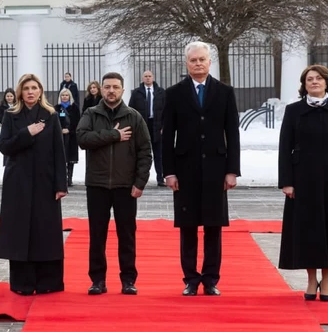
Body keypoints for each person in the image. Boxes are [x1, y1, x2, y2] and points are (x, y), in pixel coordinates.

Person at [162, 41, 241, 296]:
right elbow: (166, 136)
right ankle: (190, 279)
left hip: (217, 169)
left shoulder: (225, 92)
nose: (198, 64)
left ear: (209, 62)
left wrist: (232, 170)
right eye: (193, 60)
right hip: (185, 169)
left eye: (202, 60)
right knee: (187, 227)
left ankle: (210, 279)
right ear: (187, 63)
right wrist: (169, 171)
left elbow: (233, 133)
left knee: (213, 226)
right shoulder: (174, 93)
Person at [277, 65, 328, 302]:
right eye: (309, 79)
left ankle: (327, 280)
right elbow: (285, 147)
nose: (314, 82)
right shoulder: (294, 111)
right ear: (304, 85)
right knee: (308, 229)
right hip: (303, 177)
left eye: (318, 78)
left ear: (327, 82)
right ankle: (311, 280)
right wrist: (287, 182)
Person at [76, 72, 152, 295]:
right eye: (107, 87)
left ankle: (128, 279)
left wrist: (140, 182)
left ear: (122, 89)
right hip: (97, 185)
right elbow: (82, 139)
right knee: (97, 235)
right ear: (101, 89)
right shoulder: (91, 114)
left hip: (125, 186)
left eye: (115, 87)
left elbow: (145, 152)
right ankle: (97, 280)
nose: (111, 91)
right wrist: (113, 135)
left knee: (127, 235)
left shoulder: (134, 117)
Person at [0, 73, 69, 296]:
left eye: (34, 88)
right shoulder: (11, 116)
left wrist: (61, 184)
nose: (30, 91)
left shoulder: (51, 115)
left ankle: (48, 281)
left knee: (45, 231)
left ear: (40, 92)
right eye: (26, 88)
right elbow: (4, 146)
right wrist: (26, 133)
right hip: (18, 183)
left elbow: (59, 151)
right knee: (20, 231)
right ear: (20, 92)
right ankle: (23, 283)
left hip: (45, 182)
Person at [129, 70, 167, 186]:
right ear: (142, 78)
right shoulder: (136, 93)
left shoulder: (161, 92)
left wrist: (164, 126)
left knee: (159, 154)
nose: (148, 78)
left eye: (150, 76)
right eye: (145, 76)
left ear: (153, 77)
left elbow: (167, 110)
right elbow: (131, 110)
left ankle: (160, 178)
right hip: (142, 126)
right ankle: (139, 178)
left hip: (157, 126)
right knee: (141, 153)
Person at [57, 88, 81, 187]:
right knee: (61, 158)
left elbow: (77, 122)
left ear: (70, 96)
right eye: (63, 95)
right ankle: (62, 178)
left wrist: (70, 130)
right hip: (60, 136)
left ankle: (69, 179)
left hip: (71, 136)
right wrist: (61, 129)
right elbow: (55, 121)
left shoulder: (74, 107)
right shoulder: (57, 108)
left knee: (70, 159)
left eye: (66, 95)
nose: (65, 97)